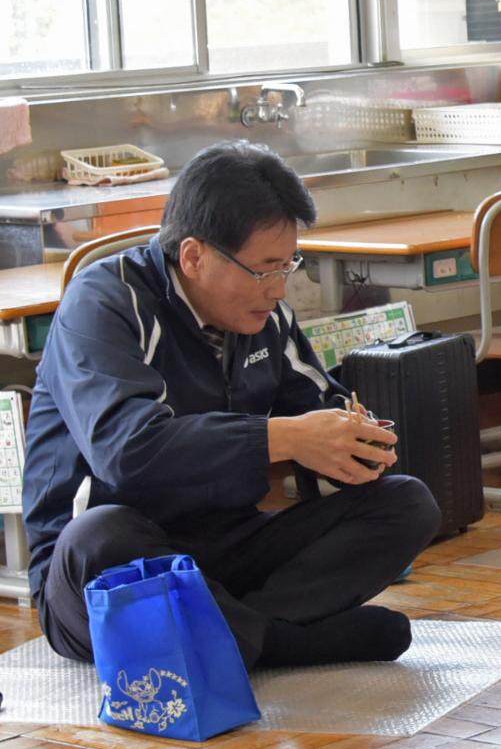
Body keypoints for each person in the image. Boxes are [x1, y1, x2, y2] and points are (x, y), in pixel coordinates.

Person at [25, 141, 440, 668]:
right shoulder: (103, 302)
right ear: (195, 255)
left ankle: (237, 639)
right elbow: (128, 452)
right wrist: (288, 437)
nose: (279, 288)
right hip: (101, 573)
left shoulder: (266, 317)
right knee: (100, 534)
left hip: (226, 548)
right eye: (265, 269)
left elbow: (318, 403)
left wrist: (356, 442)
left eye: (289, 265)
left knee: (407, 504)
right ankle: (280, 642)